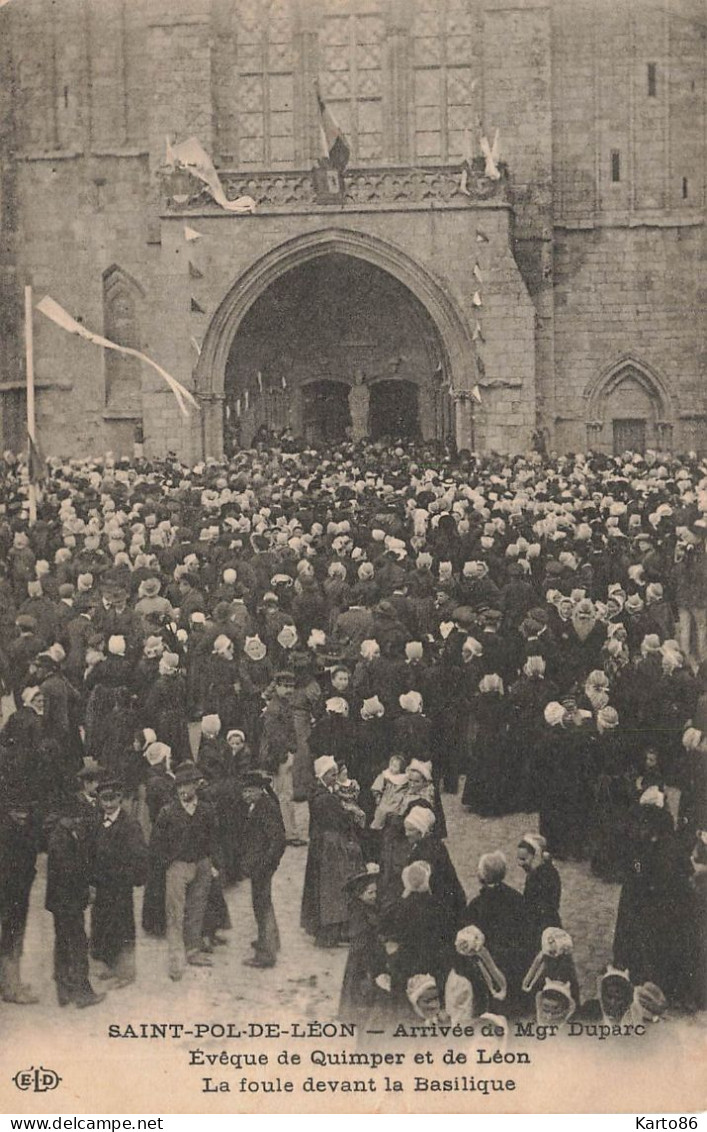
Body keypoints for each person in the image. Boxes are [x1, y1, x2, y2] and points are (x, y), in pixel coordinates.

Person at [149, 761, 221, 980]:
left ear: (196, 785)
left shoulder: (207, 810)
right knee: (175, 914)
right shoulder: (168, 812)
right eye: (179, 785)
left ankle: (193, 951)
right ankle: (175, 960)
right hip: (177, 867)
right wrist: (167, 865)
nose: (183, 790)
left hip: (202, 864)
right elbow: (156, 844)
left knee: (196, 911)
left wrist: (213, 864)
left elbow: (214, 839)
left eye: (187, 785)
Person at [301, 755, 364, 947]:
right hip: (329, 845)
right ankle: (329, 932)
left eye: (336, 773)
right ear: (323, 774)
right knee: (331, 888)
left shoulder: (321, 792)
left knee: (323, 887)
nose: (335, 777)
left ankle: (326, 929)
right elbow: (337, 821)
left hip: (321, 844)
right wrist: (350, 816)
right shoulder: (325, 798)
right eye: (331, 774)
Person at [90, 778, 148, 988]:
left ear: (120, 798)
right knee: (102, 924)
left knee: (122, 926)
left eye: (112, 799)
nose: (108, 804)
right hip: (101, 885)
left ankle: (126, 972)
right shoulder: (97, 822)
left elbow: (140, 856)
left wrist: (131, 878)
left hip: (120, 886)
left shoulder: (130, 824)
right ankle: (108, 965)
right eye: (103, 800)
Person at [45, 811, 105, 1008]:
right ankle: (82, 993)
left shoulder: (63, 833)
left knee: (63, 943)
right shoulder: (61, 838)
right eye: (74, 816)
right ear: (63, 816)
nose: (78, 819)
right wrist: (86, 891)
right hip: (68, 902)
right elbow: (70, 872)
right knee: (78, 944)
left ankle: (64, 991)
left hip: (60, 902)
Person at [463, 851, 534, 1016]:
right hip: (515, 962)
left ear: (482, 876)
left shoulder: (477, 905)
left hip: (490, 966)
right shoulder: (516, 897)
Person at [240, 770, 286, 969]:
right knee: (263, 902)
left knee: (262, 905)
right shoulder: (259, 804)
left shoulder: (265, 808)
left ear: (260, 790)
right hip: (259, 865)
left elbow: (278, 840)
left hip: (262, 866)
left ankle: (265, 954)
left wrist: (266, 864)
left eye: (250, 791)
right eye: (244, 792)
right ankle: (271, 940)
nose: (246, 795)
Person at [259, 670, 306, 847]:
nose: (288, 690)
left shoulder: (283, 705)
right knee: (284, 796)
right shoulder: (275, 708)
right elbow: (274, 737)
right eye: (285, 686)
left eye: (291, 687)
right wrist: (285, 755)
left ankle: (286, 832)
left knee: (283, 794)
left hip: (283, 754)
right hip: (278, 757)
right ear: (277, 686)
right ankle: (289, 834)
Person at [517, 833, 562, 947]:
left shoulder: (539, 877)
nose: (520, 863)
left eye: (524, 859)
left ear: (535, 856)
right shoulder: (541, 872)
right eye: (518, 858)